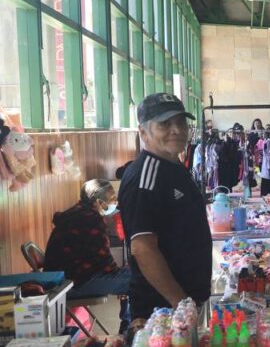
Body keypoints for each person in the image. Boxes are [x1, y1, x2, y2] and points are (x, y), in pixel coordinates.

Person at [119, 93, 212, 321]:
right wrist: (181, 304)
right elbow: (143, 249)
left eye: (180, 122)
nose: (176, 130)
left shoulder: (173, 165)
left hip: (183, 304)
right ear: (143, 132)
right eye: (164, 124)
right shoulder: (145, 177)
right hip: (162, 310)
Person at [44, 179, 120, 285]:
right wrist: (119, 273)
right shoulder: (92, 219)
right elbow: (103, 260)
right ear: (98, 202)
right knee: (134, 281)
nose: (116, 201)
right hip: (70, 282)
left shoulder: (78, 211)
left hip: (60, 276)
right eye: (112, 198)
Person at [257, 129, 270, 196]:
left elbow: (269, 152)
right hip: (267, 163)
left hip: (268, 164)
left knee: (267, 180)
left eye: (264, 134)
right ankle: (267, 194)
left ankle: (266, 194)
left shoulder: (269, 142)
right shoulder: (267, 142)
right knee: (266, 180)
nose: (263, 135)